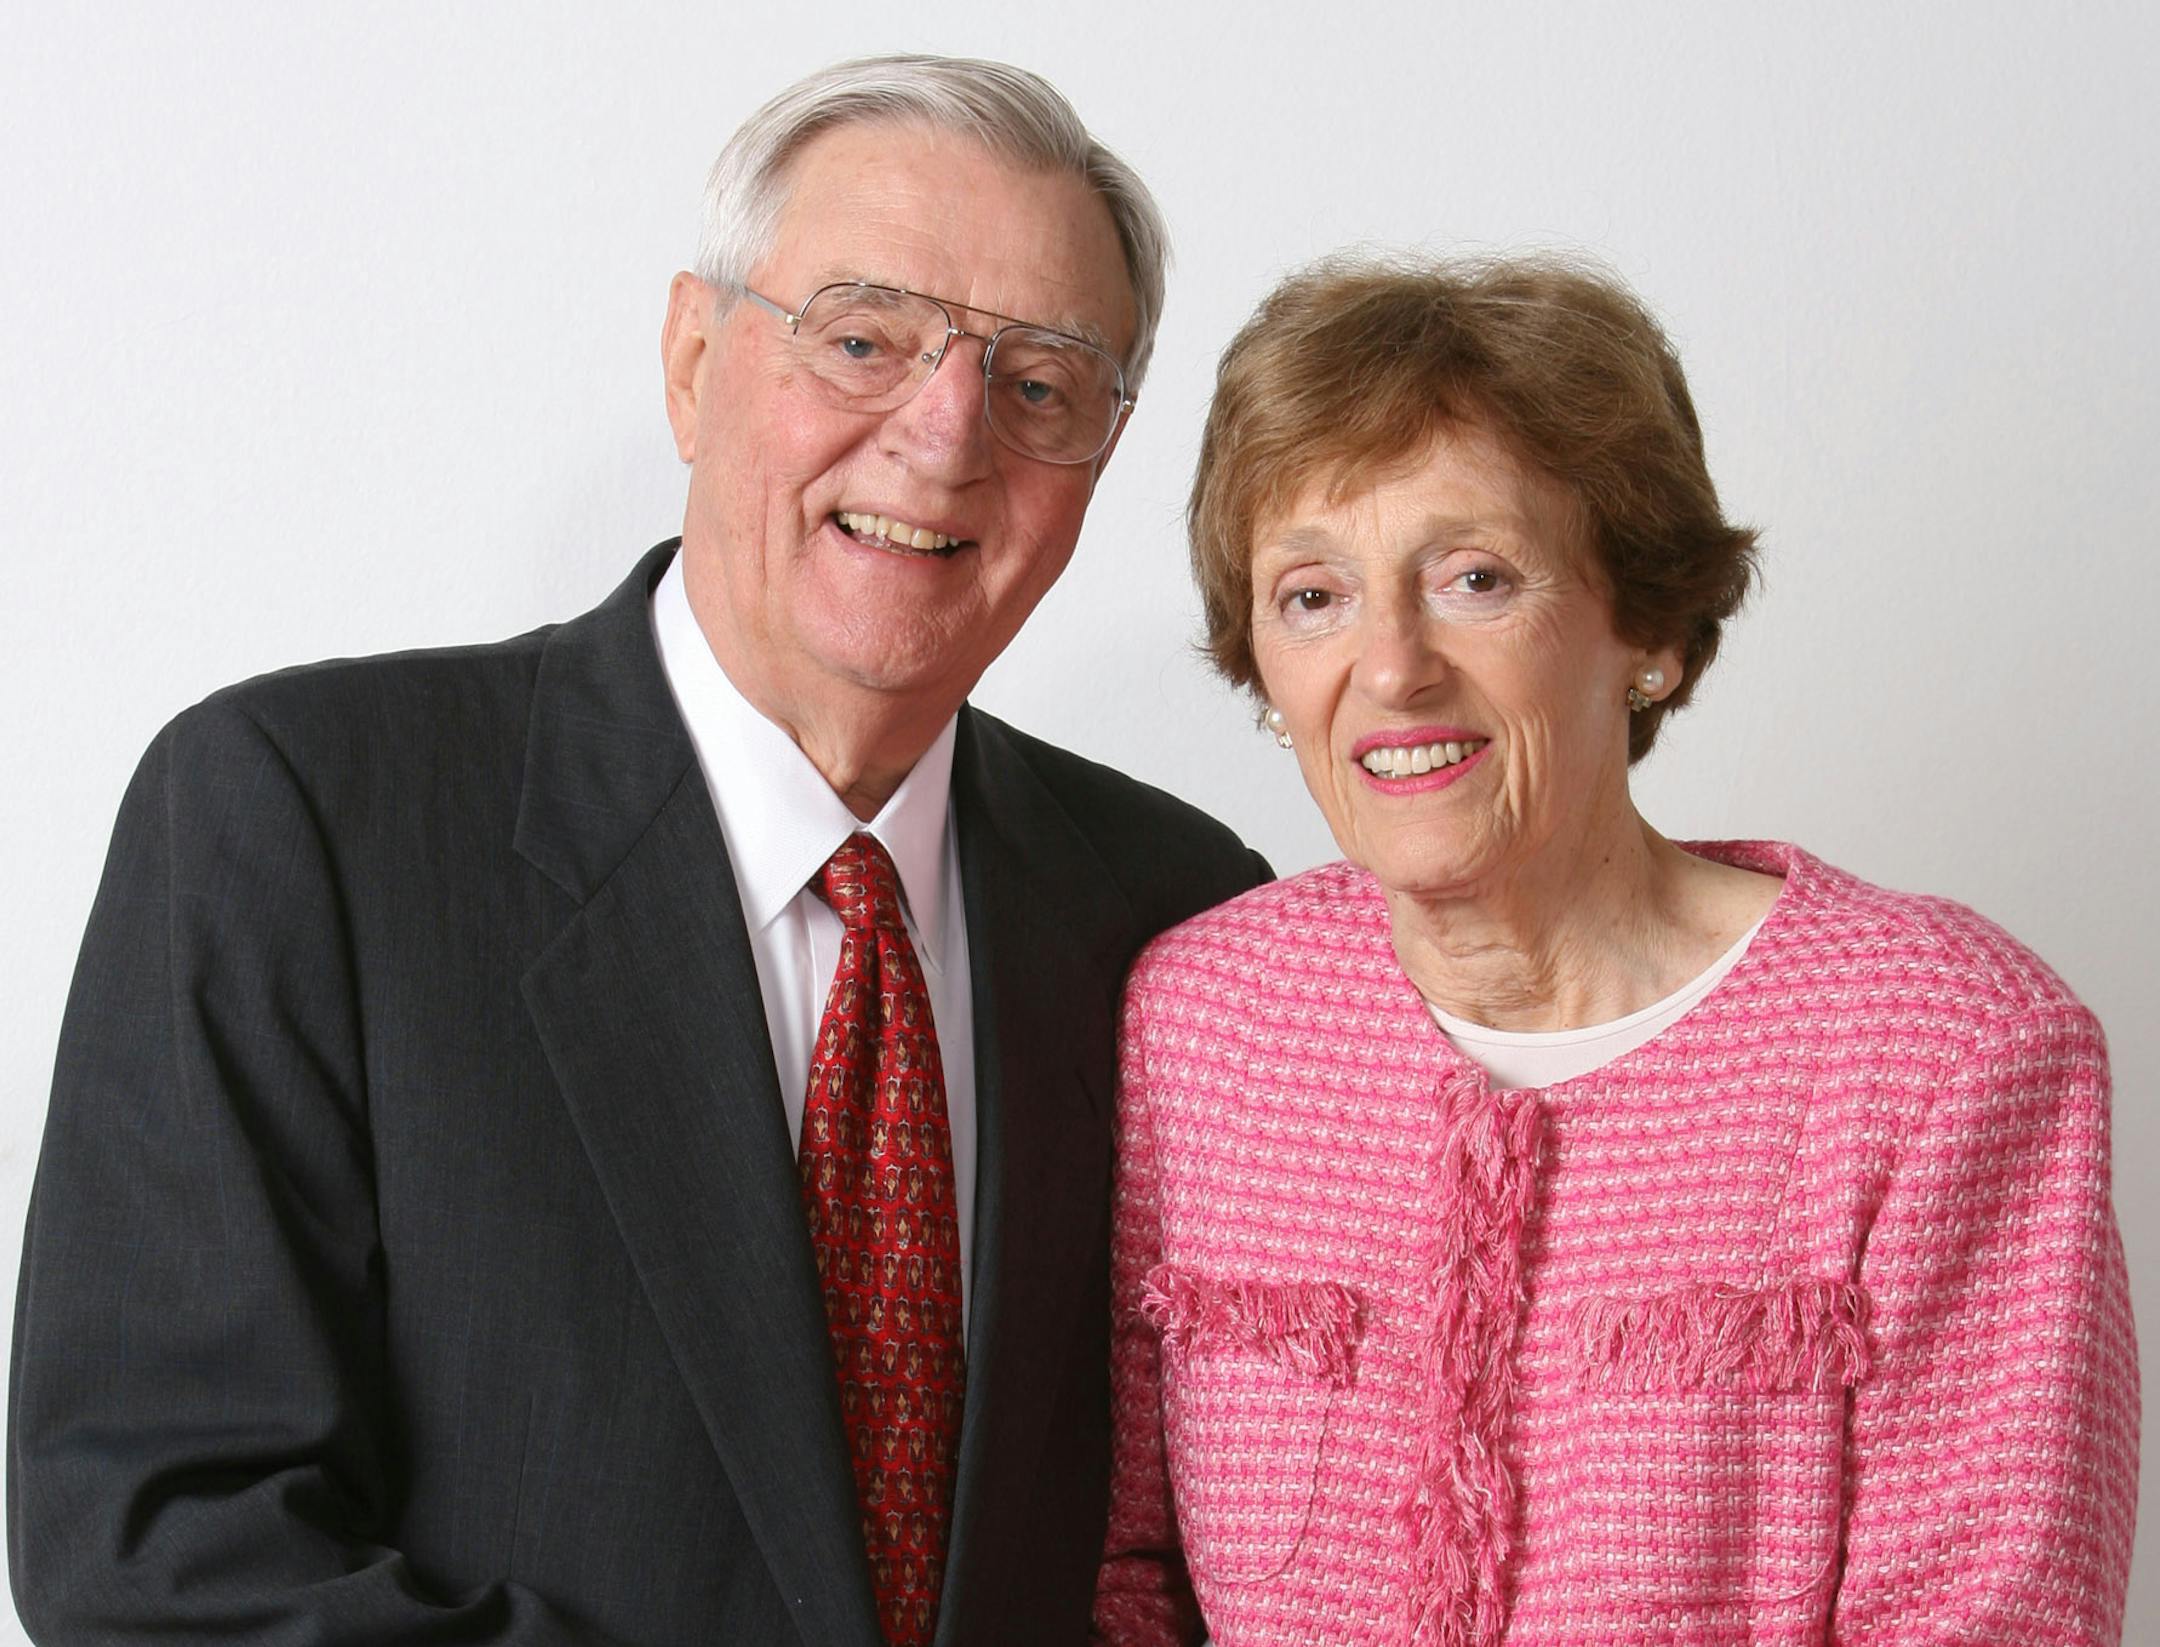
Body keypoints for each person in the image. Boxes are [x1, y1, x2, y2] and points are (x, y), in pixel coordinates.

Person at [10, 55, 1267, 1647]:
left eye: (1039, 384)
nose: (946, 434)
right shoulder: (301, 819)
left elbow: (1230, 1548)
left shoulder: (1186, 922)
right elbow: (159, 1558)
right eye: (865, 336)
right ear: (692, 361)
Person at [1091, 256, 2138, 1645]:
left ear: (1645, 627)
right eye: (1313, 595)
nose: (1392, 666)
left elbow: (1994, 1620)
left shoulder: (1942, 1047)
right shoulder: (1205, 1022)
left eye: (1474, 577)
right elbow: (1124, 1577)